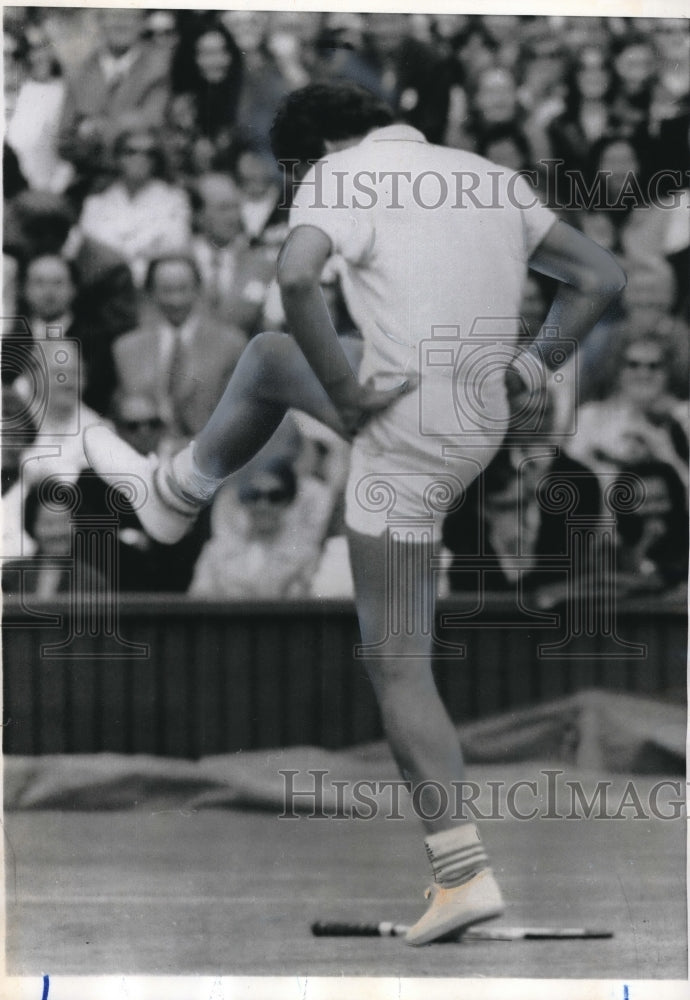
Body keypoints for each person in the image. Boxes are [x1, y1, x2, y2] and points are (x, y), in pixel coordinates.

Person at [84, 82, 626, 946]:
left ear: (314, 154)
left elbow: (295, 276)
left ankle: (463, 877)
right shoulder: (488, 174)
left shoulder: (338, 176)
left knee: (399, 666)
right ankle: (177, 493)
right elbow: (602, 275)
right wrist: (532, 368)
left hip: (400, 426)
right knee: (267, 358)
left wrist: (343, 392)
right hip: (477, 424)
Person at [111, 254, 247, 452]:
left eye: (183, 289)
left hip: (212, 456)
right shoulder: (127, 349)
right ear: (150, 293)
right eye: (166, 290)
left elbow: (236, 416)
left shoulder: (231, 343)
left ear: (198, 289)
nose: (176, 300)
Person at [78, 124, 191, 287]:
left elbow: (175, 247)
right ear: (117, 157)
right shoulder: (97, 201)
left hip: (151, 287)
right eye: (131, 152)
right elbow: (89, 247)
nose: (140, 158)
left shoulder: (174, 200)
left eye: (148, 153)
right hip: (103, 286)